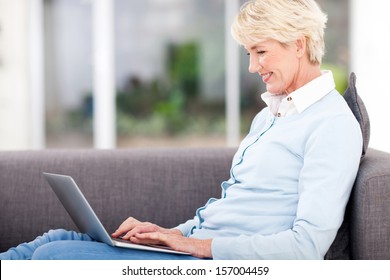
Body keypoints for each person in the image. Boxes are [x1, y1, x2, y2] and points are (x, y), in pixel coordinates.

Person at [0, 0, 362, 260]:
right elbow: (234, 206)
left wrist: (196, 247)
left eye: (261, 52)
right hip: (195, 249)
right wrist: (172, 234)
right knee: (55, 237)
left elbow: (306, 247)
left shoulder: (332, 125)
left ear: (298, 44)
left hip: (214, 264)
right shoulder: (270, 115)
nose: (253, 67)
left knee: (55, 256)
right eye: (248, 54)